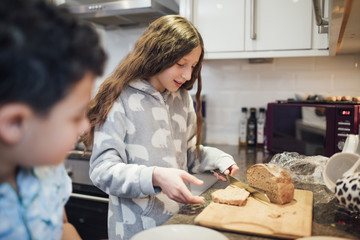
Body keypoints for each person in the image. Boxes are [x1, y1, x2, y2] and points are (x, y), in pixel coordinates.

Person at [85, 15, 239, 240]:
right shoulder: (120, 97)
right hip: (134, 230)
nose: (187, 75)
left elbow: (189, 154)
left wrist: (220, 159)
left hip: (175, 225)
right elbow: (102, 171)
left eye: (193, 66)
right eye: (181, 64)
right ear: (158, 54)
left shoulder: (182, 98)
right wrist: (155, 176)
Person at [0, 0, 106, 239]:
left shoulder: (48, 168)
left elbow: (63, 227)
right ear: (15, 123)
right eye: (75, 116)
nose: (84, 126)